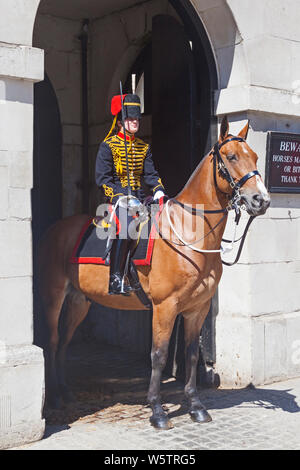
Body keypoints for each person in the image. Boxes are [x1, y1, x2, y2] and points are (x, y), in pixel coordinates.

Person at [95, 93, 165, 295]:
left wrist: (159, 190)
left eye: (136, 119)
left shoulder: (144, 148)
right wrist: (120, 196)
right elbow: (103, 179)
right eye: (130, 118)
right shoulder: (108, 146)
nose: (135, 122)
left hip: (141, 198)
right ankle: (115, 278)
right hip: (117, 200)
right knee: (126, 226)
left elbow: (151, 175)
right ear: (120, 121)